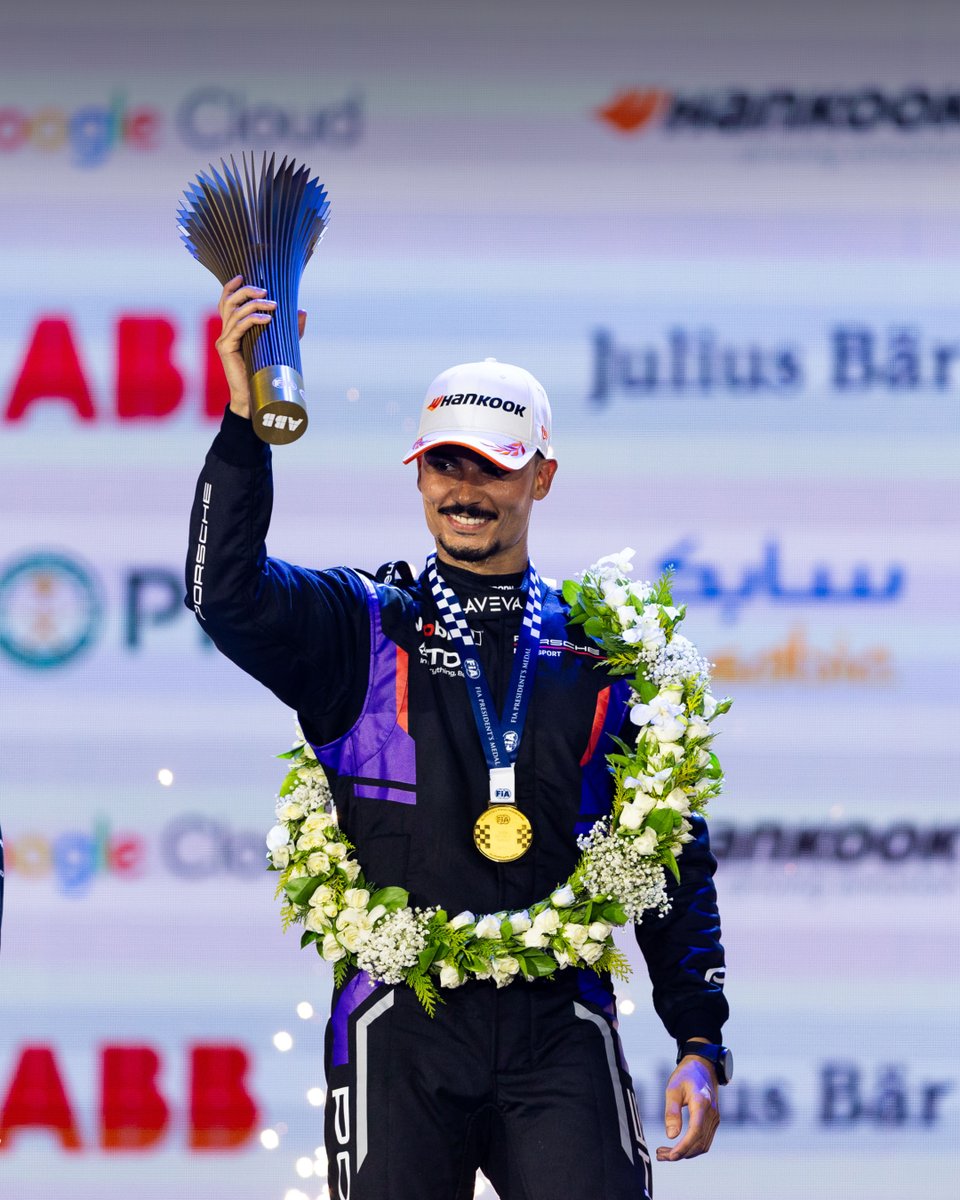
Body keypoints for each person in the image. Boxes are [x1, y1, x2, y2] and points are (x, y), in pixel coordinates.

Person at [187, 276, 730, 1200]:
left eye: (492, 466)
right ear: (417, 472)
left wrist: (699, 1039)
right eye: (445, 463)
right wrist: (246, 424)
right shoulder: (362, 626)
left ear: (542, 477)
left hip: (560, 1023)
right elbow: (223, 593)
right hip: (398, 1023)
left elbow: (668, 858)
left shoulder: (606, 653)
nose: (465, 490)